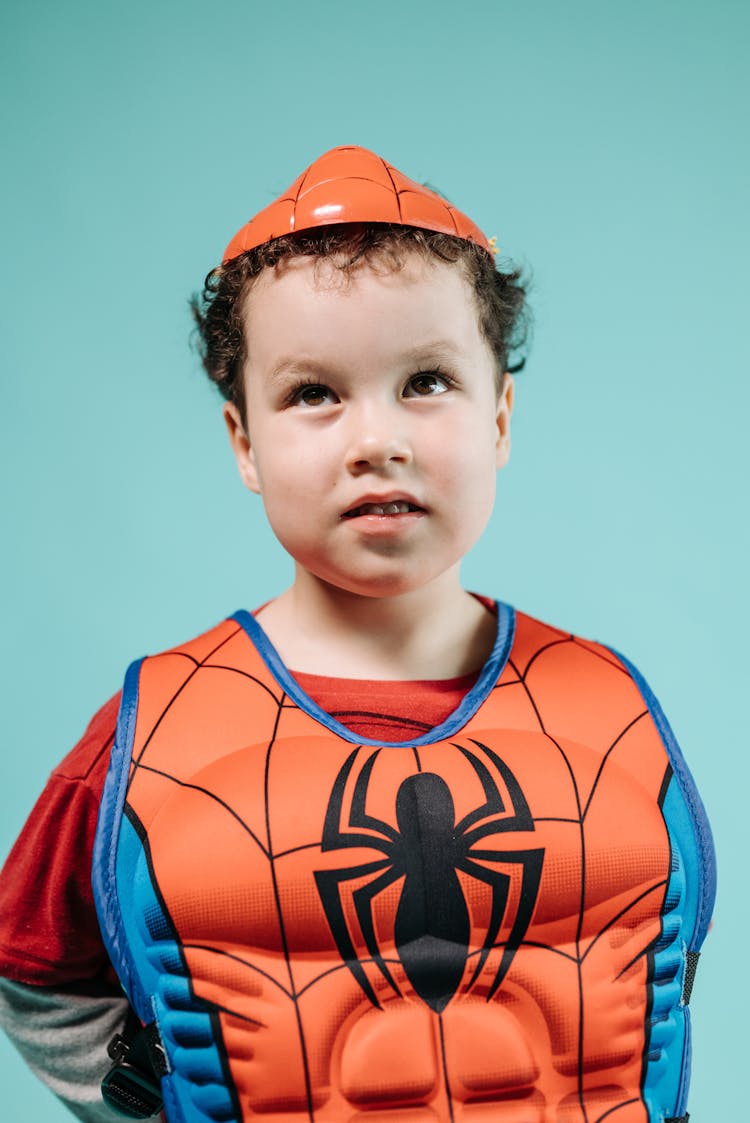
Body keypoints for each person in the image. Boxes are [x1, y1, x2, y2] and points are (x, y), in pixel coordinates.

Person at [0, 145, 716, 1123]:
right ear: (243, 442)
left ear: (499, 416)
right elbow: (32, 966)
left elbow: (652, 974)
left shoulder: (616, 711)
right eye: (314, 393)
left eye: (426, 380)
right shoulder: (146, 738)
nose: (377, 438)